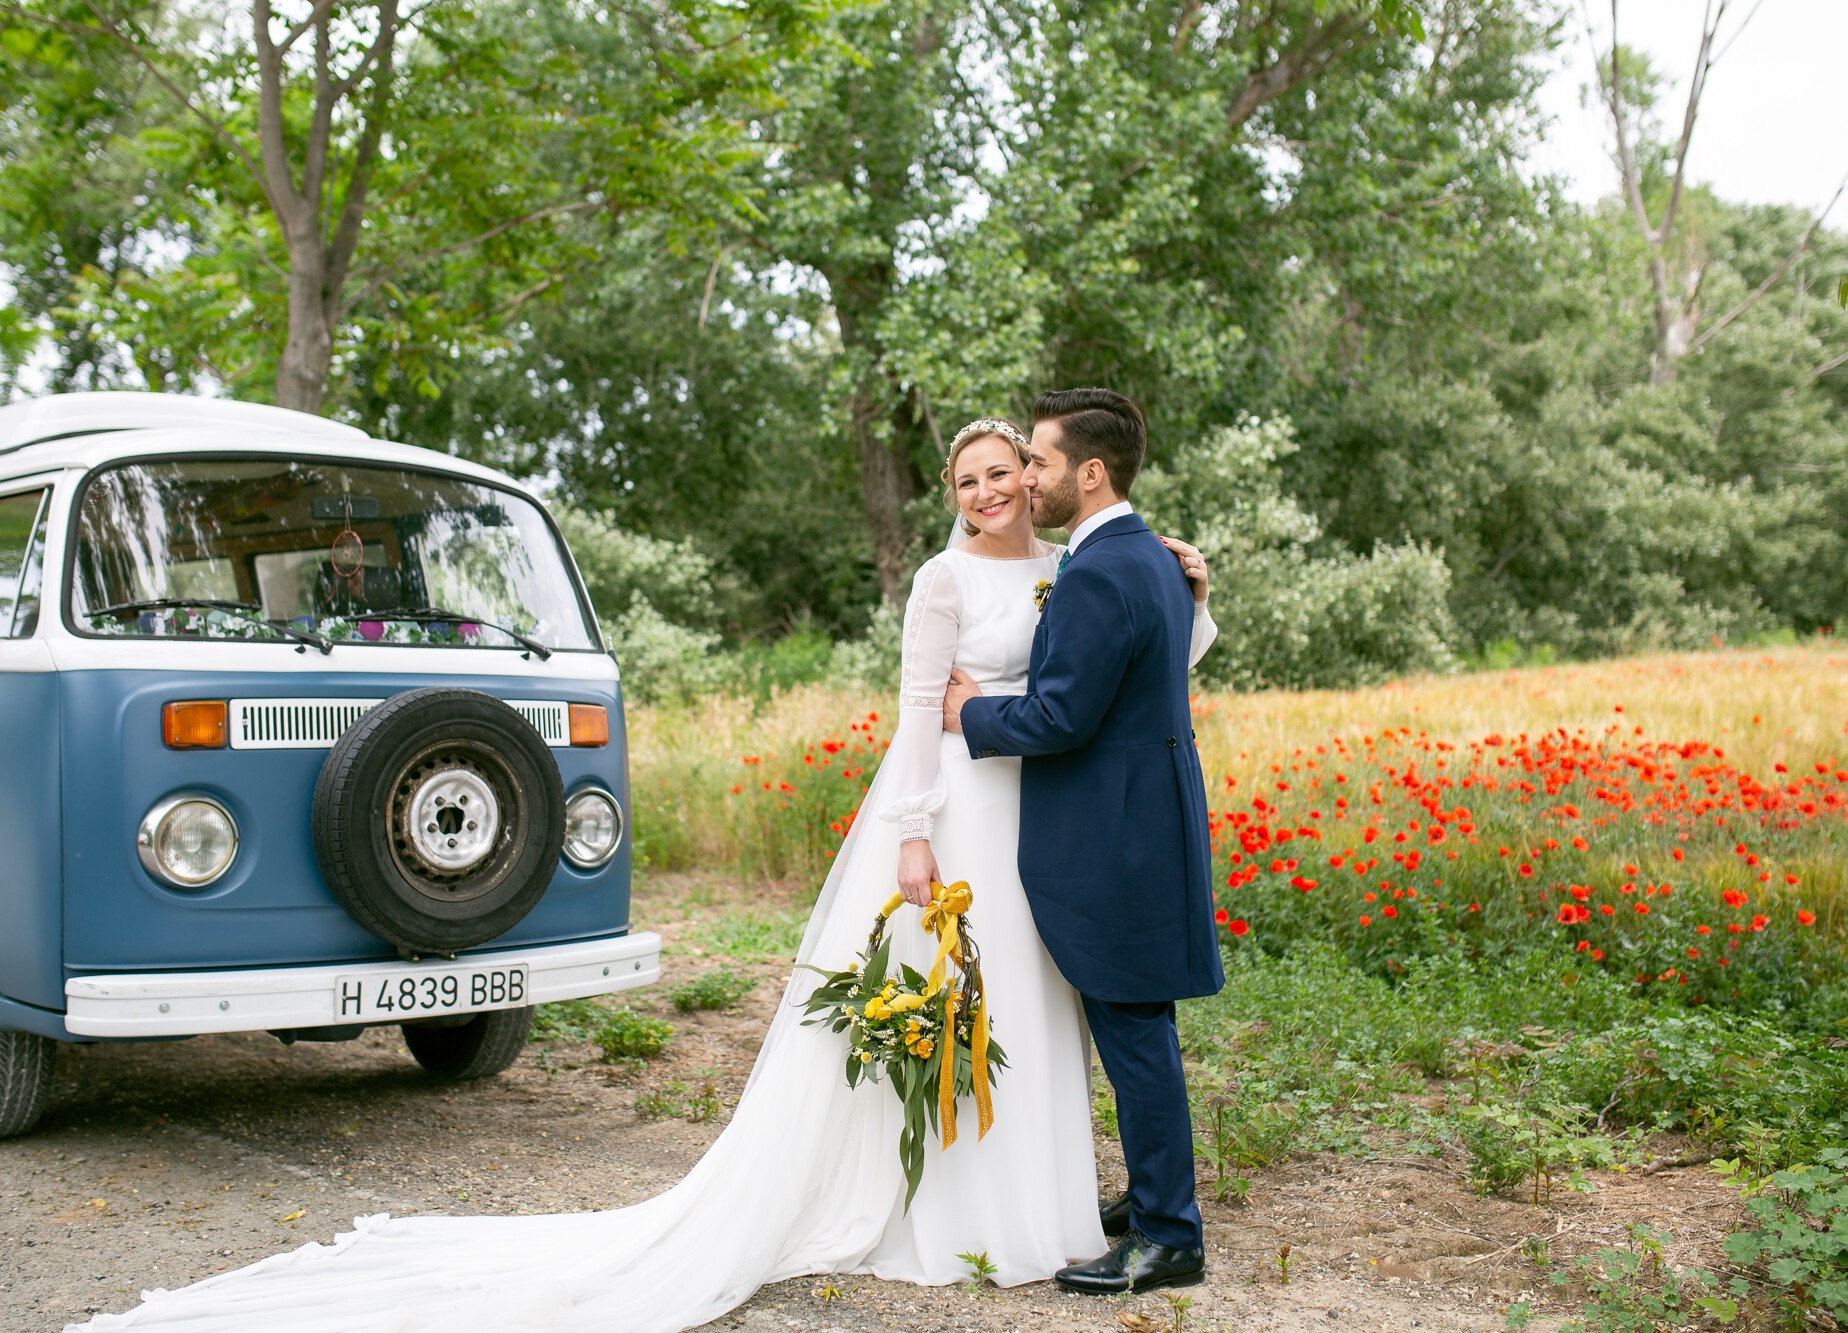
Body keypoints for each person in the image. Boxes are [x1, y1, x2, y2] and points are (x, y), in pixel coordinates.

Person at [70, 415, 1216, 1333]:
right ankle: (950, 1201)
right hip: (960, 808)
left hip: (1042, 820)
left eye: (1003, 471)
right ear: (951, 491)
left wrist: (1191, 594)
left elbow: (1133, 661)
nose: (987, 492)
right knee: (951, 999)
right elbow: (921, 713)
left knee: (1021, 1003)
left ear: (1040, 474)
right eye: (965, 478)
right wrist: (912, 828)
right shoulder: (939, 579)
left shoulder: (1079, 562)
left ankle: (1046, 1197)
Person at [945, 387, 1221, 1297]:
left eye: (1041, 462)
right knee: (1135, 1022)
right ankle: (1151, 1196)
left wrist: (970, 711)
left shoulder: (1102, 569)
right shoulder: (1149, 558)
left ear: (1089, 472)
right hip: (1143, 818)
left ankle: (1169, 1236)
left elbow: (1063, 714)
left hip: (1117, 832)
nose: (1027, 477)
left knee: (1134, 1027)